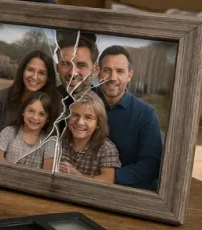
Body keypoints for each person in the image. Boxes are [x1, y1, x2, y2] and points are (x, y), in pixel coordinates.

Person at [95, 45, 163, 191]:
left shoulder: (146, 113)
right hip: (85, 182)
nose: (113, 77)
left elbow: (151, 165)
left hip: (128, 189)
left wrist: (110, 177)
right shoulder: (84, 101)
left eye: (120, 71)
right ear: (98, 72)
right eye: (107, 70)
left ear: (130, 75)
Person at [0, 50, 57, 157]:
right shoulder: (2, 97)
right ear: (22, 71)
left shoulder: (53, 104)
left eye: (42, 73)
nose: (34, 77)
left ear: (48, 78)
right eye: (30, 70)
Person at [56, 92, 120, 183]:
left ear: (98, 123)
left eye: (88, 117)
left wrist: (78, 176)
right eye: (74, 115)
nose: (80, 122)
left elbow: (108, 180)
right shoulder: (58, 141)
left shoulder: (107, 148)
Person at [0, 91, 57, 171]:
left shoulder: (49, 142)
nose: (35, 117)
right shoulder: (9, 132)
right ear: (23, 112)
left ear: (48, 118)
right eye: (31, 111)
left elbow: (47, 173)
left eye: (41, 114)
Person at [54, 32, 98, 109]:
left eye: (82, 65)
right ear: (57, 67)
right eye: (65, 64)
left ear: (94, 69)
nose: (72, 73)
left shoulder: (105, 103)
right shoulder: (48, 100)